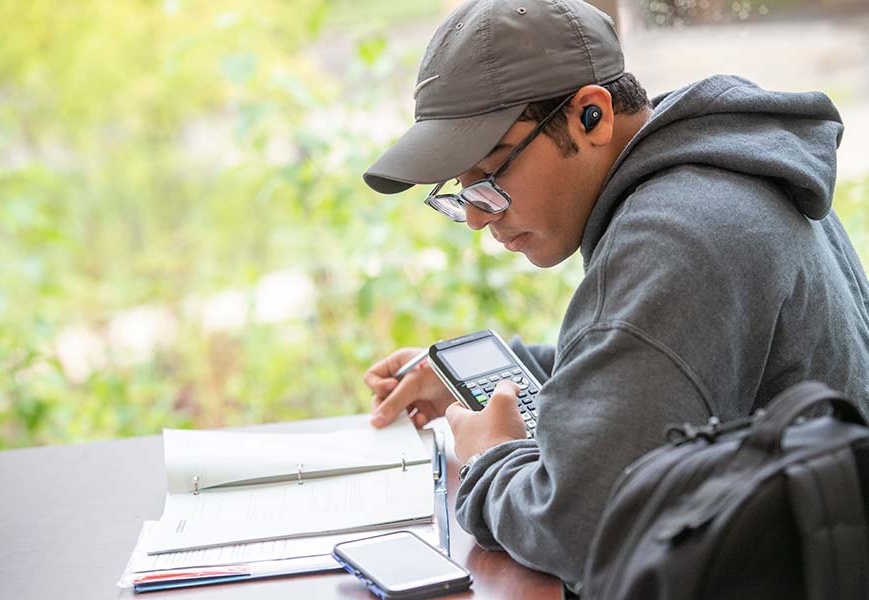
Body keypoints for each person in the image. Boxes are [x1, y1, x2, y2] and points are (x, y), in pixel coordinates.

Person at [356, 0, 869, 590]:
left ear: (590, 117)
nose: (476, 218)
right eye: (459, 193)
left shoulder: (675, 235)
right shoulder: (728, 168)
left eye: (490, 179)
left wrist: (486, 460)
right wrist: (511, 372)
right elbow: (675, 360)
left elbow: (582, 530)